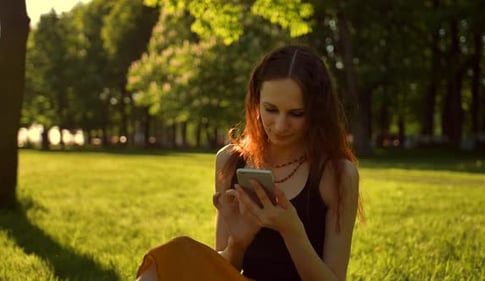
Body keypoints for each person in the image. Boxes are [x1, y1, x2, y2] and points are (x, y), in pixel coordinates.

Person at [136, 44, 361, 281]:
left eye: (296, 114)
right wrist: (238, 243)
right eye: (271, 110)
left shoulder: (337, 174)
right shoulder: (230, 161)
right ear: (256, 102)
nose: (281, 125)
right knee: (176, 253)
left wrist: (292, 231)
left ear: (316, 112)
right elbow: (222, 271)